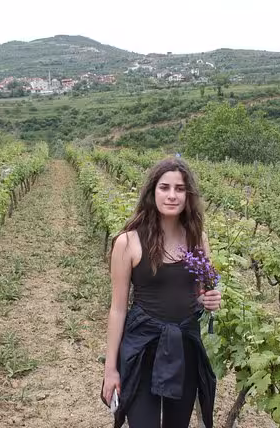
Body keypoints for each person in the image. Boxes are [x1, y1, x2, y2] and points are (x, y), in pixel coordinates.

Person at [101, 157, 222, 428]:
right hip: (143, 348)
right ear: (152, 192)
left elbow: (199, 294)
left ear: (187, 195)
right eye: (164, 187)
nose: (172, 195)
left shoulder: (197, 239)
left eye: (179, 189)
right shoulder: (128, 242)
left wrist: (209, 299)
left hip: (184, 347)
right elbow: (118, 308)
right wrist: (111, 369)